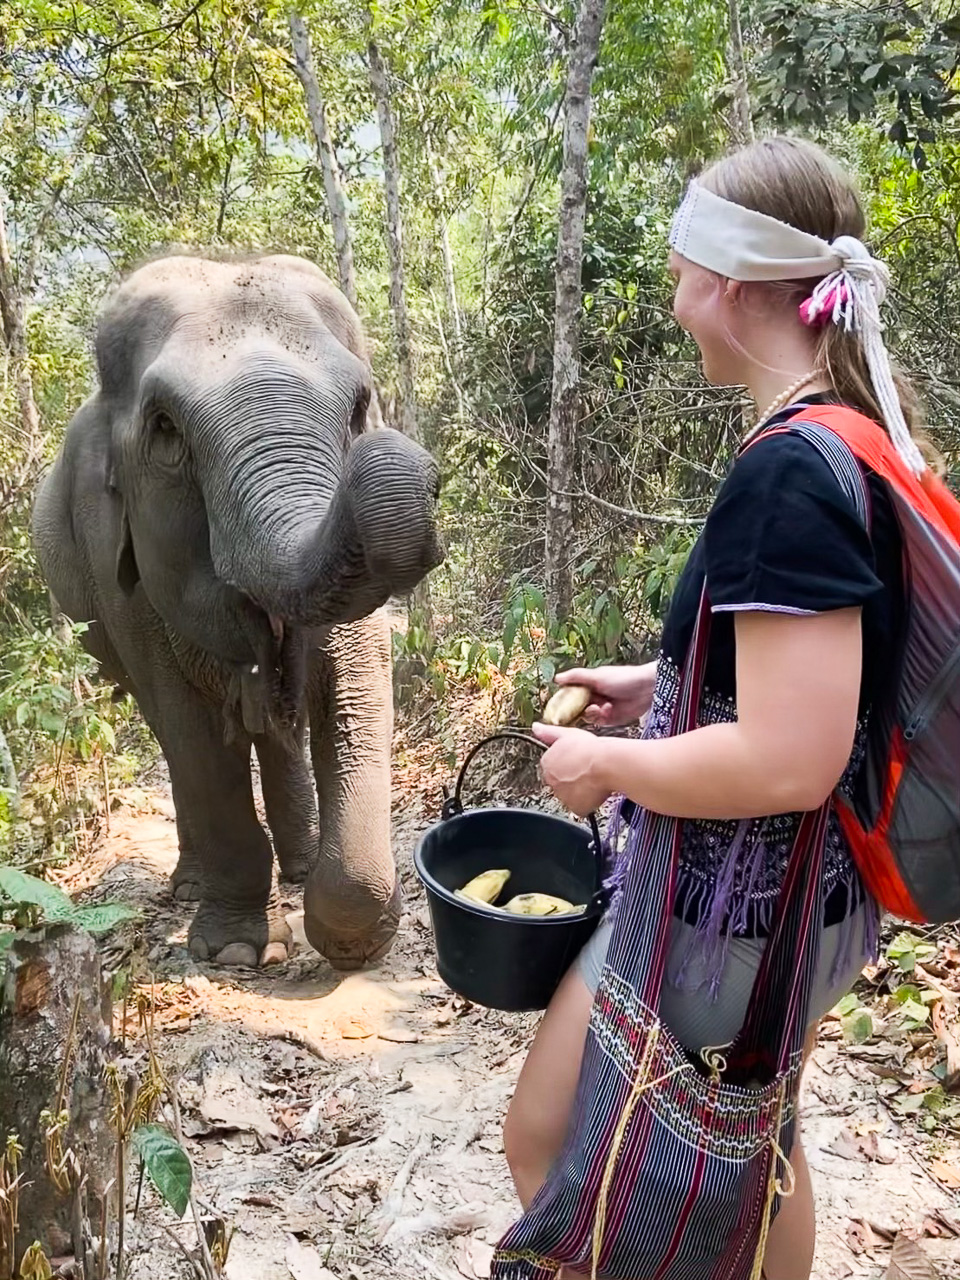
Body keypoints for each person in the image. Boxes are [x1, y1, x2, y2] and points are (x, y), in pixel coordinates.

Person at [501, 136, 924, 1280]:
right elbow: (808, 676)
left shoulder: (788, 469)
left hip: (739, 905)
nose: (675, 293)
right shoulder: (848, 435)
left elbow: (789, 753)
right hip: (808, 898)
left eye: (684, 266)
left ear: (733, 287)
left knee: (546, 1141)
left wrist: (609, 767)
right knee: (757, 1132)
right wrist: (660, 690)